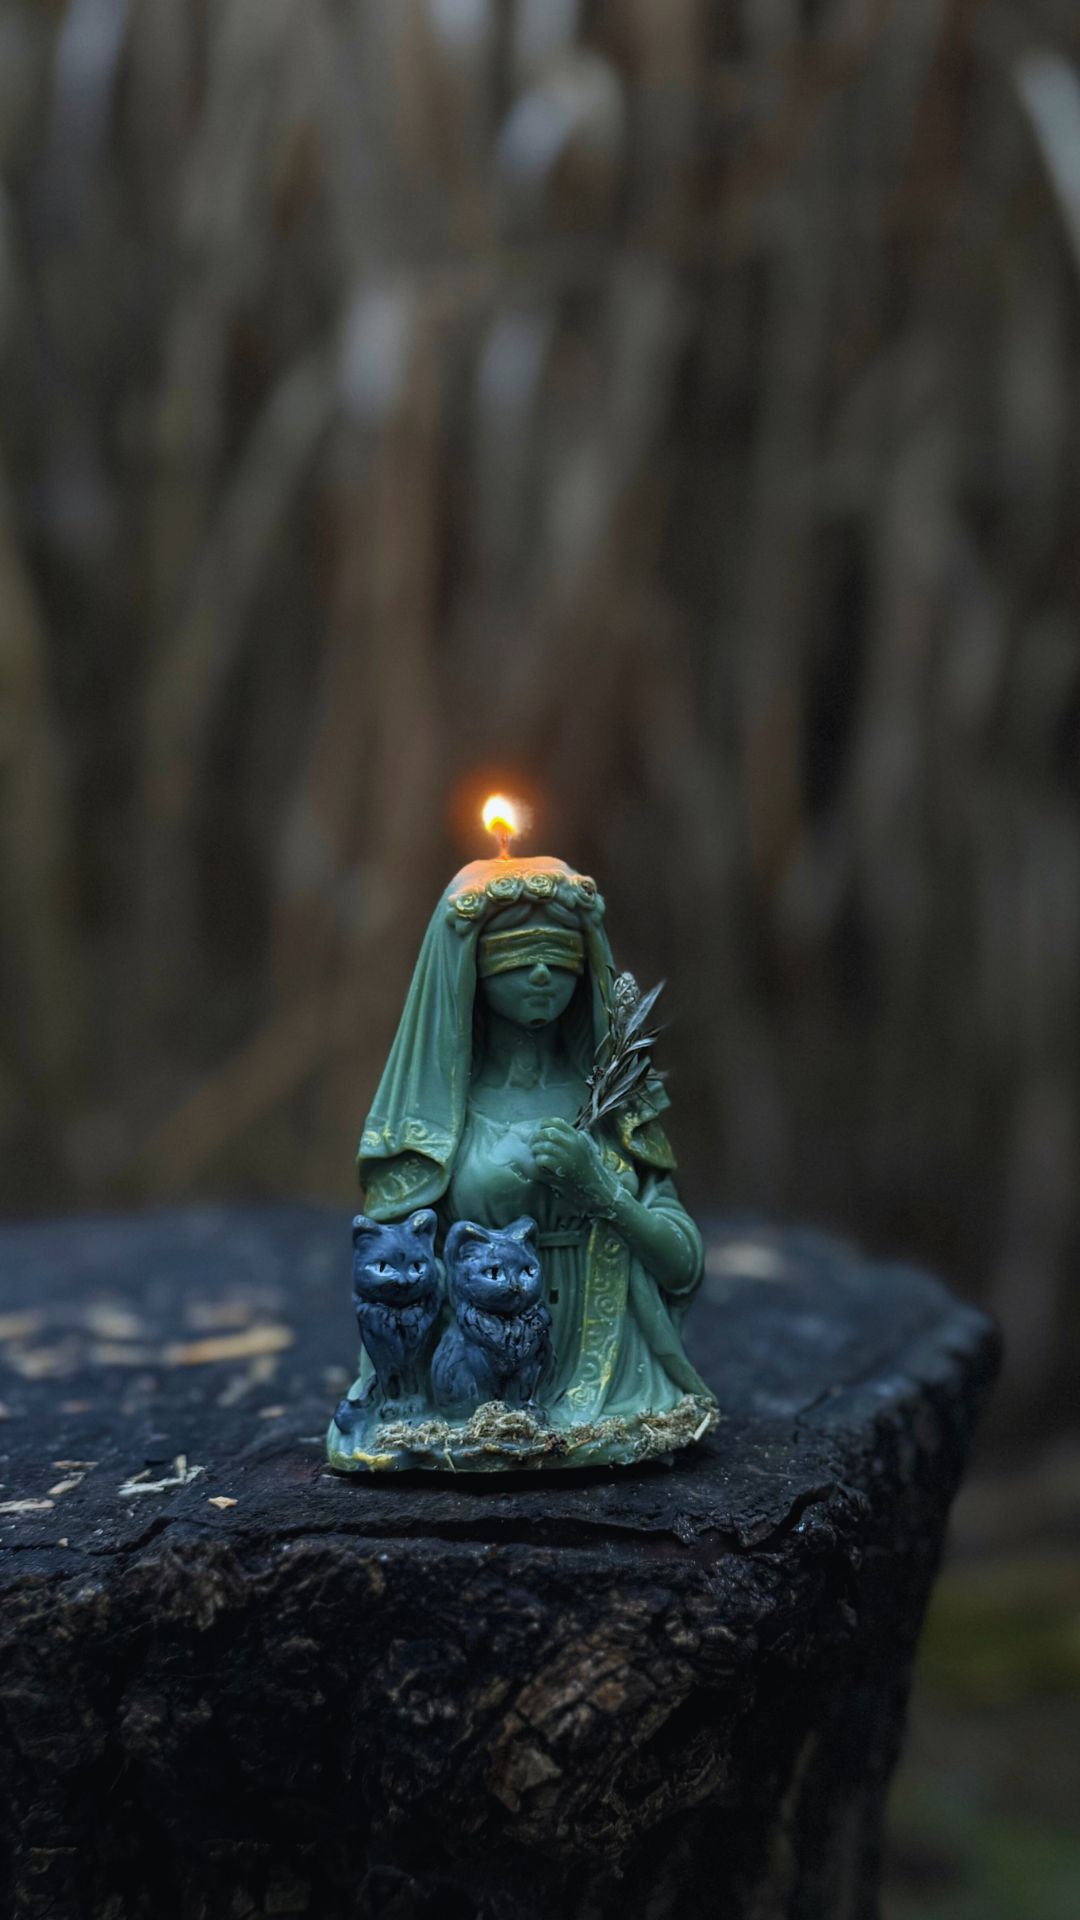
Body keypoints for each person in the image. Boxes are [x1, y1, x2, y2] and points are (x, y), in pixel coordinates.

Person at [353, 854, 712, 1430]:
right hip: (475, 1382)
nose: (543, 974)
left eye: (561, 959)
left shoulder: (612, 1105)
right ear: (472, 970)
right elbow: (396, 1284)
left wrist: (603, 1192)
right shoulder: (440, 1121)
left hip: (617, 1382)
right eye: (519, 957)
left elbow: (682, 1266)